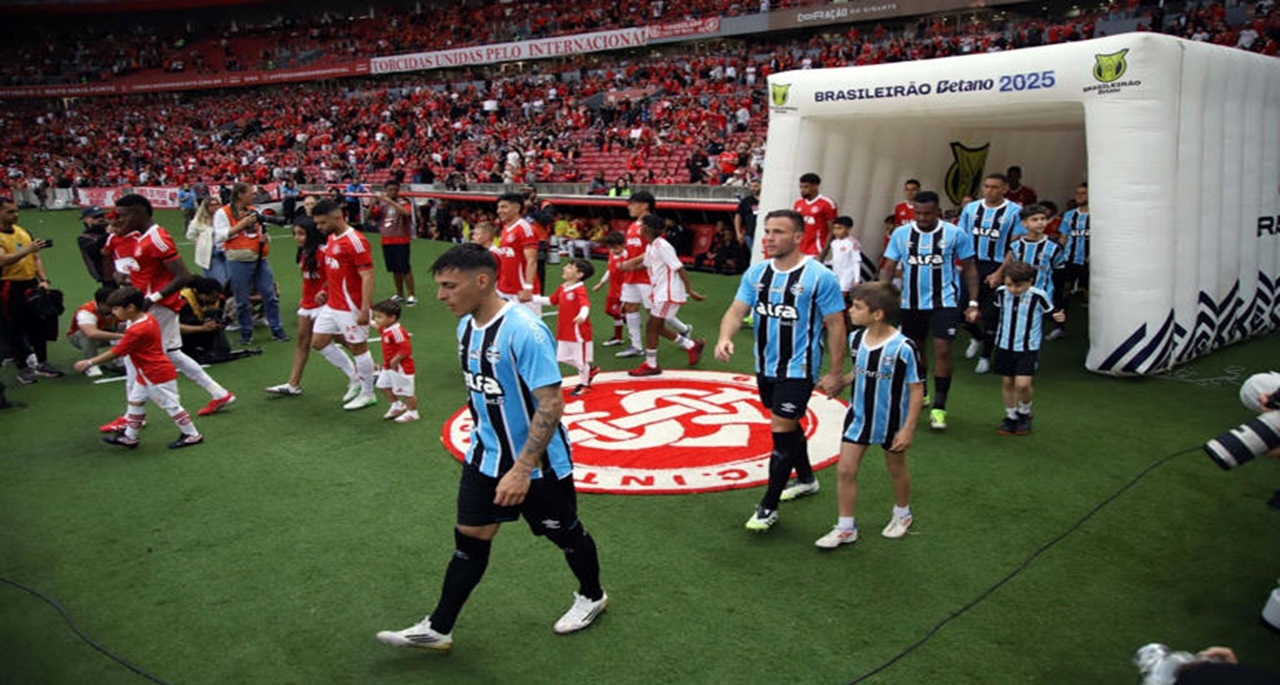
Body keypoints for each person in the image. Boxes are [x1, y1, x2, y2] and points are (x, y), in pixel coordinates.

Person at [376, 243, 608, 652]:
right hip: (484, 457)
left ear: (482, 281)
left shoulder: (525, 330)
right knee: (470, 538)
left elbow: (551, 403)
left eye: (449, 286)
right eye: (440, 286)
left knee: (566, 534)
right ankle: (439, 627)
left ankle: (592, 596)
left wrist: (522, 468)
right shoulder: (466, 326)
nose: (441, 295)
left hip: (537, 466)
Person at [715, 209, 847, 533]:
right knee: (787, 426)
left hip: (799, 368)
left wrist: (834, 372)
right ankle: (807, 479)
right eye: (767, 231)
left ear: (798, 237)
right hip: (765, 365)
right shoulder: (757, 273)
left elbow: (836, 325)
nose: (769, 238)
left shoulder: (820, 277)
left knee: (780, 431)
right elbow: (736, 311)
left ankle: (768, 506)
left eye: (778, 232)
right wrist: (724, 337)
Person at [814, 281, 923, 549]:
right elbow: (860, 369)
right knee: (845, 469)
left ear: (877, 314)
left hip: (891, 421)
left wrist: (908, 429)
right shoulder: (856, 339)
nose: (850, 311)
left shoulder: (904, 347)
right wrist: (842, 381)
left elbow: (917, 388)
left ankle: (902, 513)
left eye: (857, 307)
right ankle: (845, 527)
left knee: (896, 468)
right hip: (859, 417)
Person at [113, 193, 236, 417]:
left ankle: (132, 416)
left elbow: (183, 275)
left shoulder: (156, 238)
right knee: (172, 353)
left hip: (157, 307)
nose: (120, 220)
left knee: (136, 356)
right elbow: (154, 274)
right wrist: (129, 278)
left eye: (124, 215)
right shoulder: (143, 238)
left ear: (140, 212)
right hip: (154, 304)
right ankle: (219, 393)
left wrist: (152, 299)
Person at [880, 190, 980, 431]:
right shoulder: (901, 234)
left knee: (943, 350)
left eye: (927, 213)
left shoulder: (955, 233)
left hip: (944, 302)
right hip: (910, 303)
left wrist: (973, 303)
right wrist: (883, 296)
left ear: (937, 212)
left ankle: (939, 407)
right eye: (918, 213)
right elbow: (889, 266)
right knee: (915, 350)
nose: (922, 218)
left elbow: (970, 268)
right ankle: (922, 391)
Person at [73, 287, 204, 450]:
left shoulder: (137, 329)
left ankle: (192, 434)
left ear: (130, 308)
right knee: (136, 402)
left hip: (155, 373)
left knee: (171, 405)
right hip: (147, 372)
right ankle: (130, 436)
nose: (113, 312)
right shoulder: (147, 318)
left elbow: (116, 352)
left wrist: (89, 362)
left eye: (116, 308)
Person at [265, 199, 344, 397]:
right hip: (308, 304)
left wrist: (324, 291)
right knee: (303, 342)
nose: (297, 238)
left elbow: (334, 276)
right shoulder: (304, 253)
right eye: (295, 234)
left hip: (323, 304)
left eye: (301, 234)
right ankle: (293, 384)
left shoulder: (322, 253)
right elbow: (307, 280)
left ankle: (367, 371)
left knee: (341, 339)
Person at [309, 199, 377, 411]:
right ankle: (354, 377)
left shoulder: (355, 241)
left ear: (337, 217)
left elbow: (368, 275)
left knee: (359, 348)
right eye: (317, 223)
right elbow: (336, 270)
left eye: (322, 222)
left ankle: (368, 393)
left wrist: (365, 309)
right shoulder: (331, 238)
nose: (319, 227)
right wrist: (325, 289)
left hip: (351, 306)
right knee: (318, 341)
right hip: (333, 303)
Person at [620, 214, 705, 377]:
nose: (639, 229)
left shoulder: (662, 246)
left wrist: (690, 291)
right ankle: (691, 345)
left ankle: (651, 364)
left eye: (641, 226)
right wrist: (628, 267)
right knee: (657, 327)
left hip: (667, 293)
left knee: (652, 327)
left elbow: (679, 268)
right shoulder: (651, 246)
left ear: (646, 229)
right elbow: (647, 265)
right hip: (660, 292)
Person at [957, 174, 1024, 375]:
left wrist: (1000, 272)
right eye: (986, 186)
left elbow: (1015, 245)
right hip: (972, 263)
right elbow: (961, 237)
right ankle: (976, 337)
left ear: (1004, 189)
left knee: (991, 314)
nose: (989, 190)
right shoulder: (971, 209)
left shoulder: (1014, 211)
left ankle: (986, 356)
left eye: (995, 187)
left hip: (997, 265)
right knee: (960, 310)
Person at [991, 261, 1065, 435]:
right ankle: (1010, 416)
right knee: (1007, 382)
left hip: (1027, 346)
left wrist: (1059, 318)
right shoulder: (1000, 293)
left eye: (1018, 286)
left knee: (1023, 384)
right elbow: (994, 313)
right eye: (1009, 284)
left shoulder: (1039, 296)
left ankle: (1024, 412)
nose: (1013, 289)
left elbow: (1051, 313)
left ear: (1030, 282)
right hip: (1004, 344)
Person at [213, 182, 288, 345]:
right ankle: (246, 333)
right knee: (241, 299)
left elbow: (258, 233)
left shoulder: (254, 211)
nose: (254, 196)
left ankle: (277, 329)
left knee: (270, 295)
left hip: (260, 257)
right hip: (238, 259)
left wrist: (266, 239)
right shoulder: (223, 213)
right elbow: (219, 236)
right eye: (251, 193)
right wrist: (241, 225)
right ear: (240, 195)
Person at [0, 197, 62, 385]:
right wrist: (27, 250)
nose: (16, 215)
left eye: (16, 210)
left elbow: (36, 258)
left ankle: (42, 363)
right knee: (15, 328)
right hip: (9, 287)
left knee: (39, 324)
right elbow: (2, 260)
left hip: (31, 284)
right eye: (10, 212)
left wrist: (43, 280)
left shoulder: (22, 231)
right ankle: (23, 368)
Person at [994, 204, 1067, 340]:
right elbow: (1010, 269)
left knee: (1032, 332)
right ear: (1024, 223)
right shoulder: (1015, 246)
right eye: (1035, 219)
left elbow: (1059, 275)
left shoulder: (1054, 247)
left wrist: (1057, 301)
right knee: (1013, 328)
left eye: (1043, 219)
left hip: (1042, 295)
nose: (1040, 222)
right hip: (1018, 293)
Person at [534, 258, 599, 396]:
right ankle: (589, 370)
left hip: (578, 333)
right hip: (564, 330)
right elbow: (552, 300)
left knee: (580, 361)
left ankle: (585, 384)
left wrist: (582, 315)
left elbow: (585, 305)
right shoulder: (563, 287)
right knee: (562, 357)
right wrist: (531, 298)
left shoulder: (579, 289)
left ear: (579, 275)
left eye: (570, 267)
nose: (565, 268)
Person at [371, 299, 418, 423]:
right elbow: (378, 328)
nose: (376, 319)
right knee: (382, 385)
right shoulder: (387, 328)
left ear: (392, 318)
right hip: (388, 367)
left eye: (379, 317)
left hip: (401, 368)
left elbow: (406, 349)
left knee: (407, 392)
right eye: (375, 316)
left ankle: (413, 412)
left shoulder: (396, 332)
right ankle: (397, 405)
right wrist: (368, 321)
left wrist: (395, 361)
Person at [494, 192, 541, 314]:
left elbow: (532, 260)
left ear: (516, 208)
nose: (499, 211)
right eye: (498, 207)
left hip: (522, 292)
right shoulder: (505, 228)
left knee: (530, 324)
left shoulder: (525, 229)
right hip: (504, 290)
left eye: (504, 207)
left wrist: (528, 288)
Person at [66, 284, 123, 377]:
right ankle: (91, 364)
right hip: (78, 337)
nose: (114, 309)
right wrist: (121, 336)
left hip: (108, 332)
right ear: (101, 304)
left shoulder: (118, 309)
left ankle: (120, 360)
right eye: (111, 306)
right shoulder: (86, 311)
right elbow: (91, 333)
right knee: (86, 336)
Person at [377, 181, 417, 306]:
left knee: (405, 268)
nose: (393, 192)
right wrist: (373, 203)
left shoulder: (403, 202)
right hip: (386, 239)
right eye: (390, 190)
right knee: (394, 269)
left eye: (395, 190)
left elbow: (406, 213)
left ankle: (411, 295)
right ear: (385, 190)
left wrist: (390, 201)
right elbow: (369, 216)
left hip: (401, 239)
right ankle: (399, 293)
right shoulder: (382, 204)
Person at [1057, 183, 1091, 310]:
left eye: (1083, 193)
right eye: (1077, 193)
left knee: (1088, 287)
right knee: (1065, 285)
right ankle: (1061, 311)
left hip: (1088, 259)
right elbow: (1063, 237)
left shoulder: (1098, 216)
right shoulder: (1069, 215)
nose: (1079, 196)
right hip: (1069, 257)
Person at [593, 231, 627, 347]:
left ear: (623, 245)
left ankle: (618, 337)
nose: (613, 250)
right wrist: (600, 283)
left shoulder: (627, 256)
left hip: (624, 289)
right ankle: (625, 319)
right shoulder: (612, 255)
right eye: (611, 248)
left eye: (616, 248)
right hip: (613, 289)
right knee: (610, 310)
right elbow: (609, 270)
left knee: (616, 312)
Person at [793, 172, 839, 257]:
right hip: (799, 248)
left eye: (806, 187)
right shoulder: (798, 204)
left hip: (816, 249)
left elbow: (832, 230)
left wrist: (823, 254)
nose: (802, 190)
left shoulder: (827, 204)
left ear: (816, 186)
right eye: (801, 187)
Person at [821, 216, 862, 305]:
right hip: (836, 274)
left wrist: (856, 280)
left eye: (839, 228)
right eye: (834, 228)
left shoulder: (852, 243)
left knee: (840, 299)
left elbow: (856, 262)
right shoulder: (834, 243)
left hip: (847, 275)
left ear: (848, 229)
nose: (836, 231)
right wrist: (824, 263)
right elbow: (836, 259)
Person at [186, 196, 227, 285]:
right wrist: (203, 243)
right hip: (211, 253)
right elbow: (190, 236)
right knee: (220, 281)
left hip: (226, 251)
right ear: (206, 207)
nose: (215, 207)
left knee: (230, 278)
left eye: (217, 204)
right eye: (212, 205)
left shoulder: (224, 218)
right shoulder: (198, 221)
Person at [77, 206, 113, 285]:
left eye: (102, 216)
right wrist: (107, 234)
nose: (101, 219)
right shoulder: (84, 238)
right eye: (95, 217)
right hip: (107, 278)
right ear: (86, 220)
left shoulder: (115, 231)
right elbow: (94, 253)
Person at [734, 178, 761, 259]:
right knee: (754, 255)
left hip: (763, 233)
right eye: (751, 186)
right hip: (750, 233)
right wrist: (738, 233)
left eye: (755, 186)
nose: (753, 189)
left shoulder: (767, 200)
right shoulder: (746, 201)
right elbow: (738, 216)